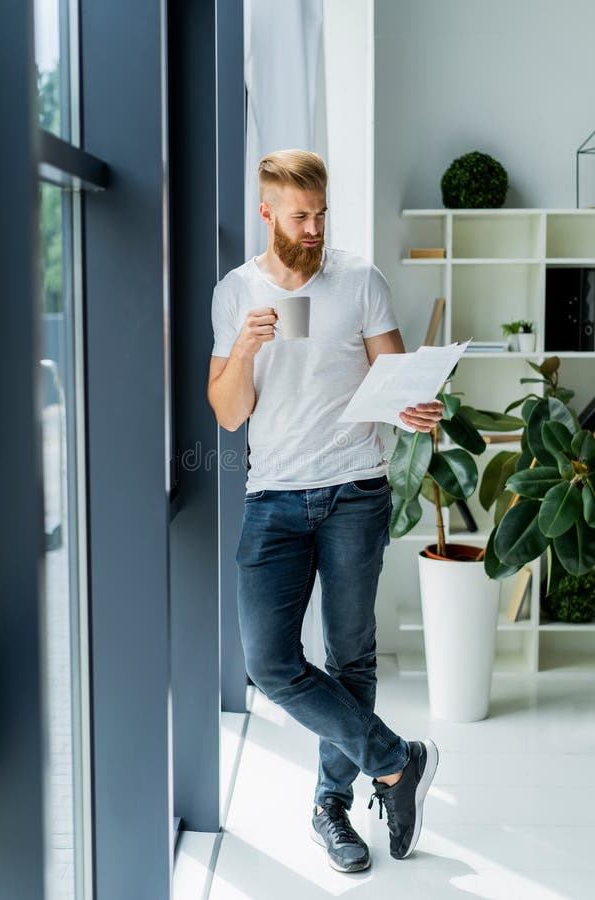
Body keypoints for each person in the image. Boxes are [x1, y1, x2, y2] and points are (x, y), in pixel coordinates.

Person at [208, 149, 443, 873]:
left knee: (351, 658)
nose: (313, 228)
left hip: (354, 491)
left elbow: (392, 373)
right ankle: (396, 761)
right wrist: (244, 350)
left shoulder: (358, 281)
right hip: (273, 497)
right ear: (267, 212)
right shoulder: (236, 292)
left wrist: (414, 410)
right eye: (299, 215)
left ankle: (332, 807)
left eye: (320, 213)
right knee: (270, 662)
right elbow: (227, 414)